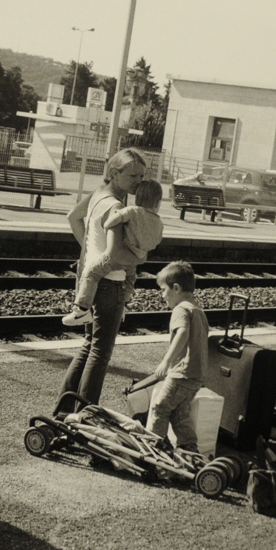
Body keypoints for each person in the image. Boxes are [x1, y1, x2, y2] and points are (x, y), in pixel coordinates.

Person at [55, 147, 147, 415]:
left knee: (89, 346)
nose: (139, 182)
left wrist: (91, 251)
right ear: (115, 173)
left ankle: (64, 411)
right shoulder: (117, 207)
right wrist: (137, 256)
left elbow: (73, 218)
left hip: (92, 280)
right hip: (111, 284)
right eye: (133, 176)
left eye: (142, 176)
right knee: (100, 353)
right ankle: (86, 415)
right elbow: (117, 253)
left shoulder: (98, 194)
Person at [62, 179, 164, 326]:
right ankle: (122, 306)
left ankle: (82, 309)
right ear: (158, 202)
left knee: (91, 273)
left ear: (138, 198)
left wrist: (107, 226)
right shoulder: (158, 221)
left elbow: (113, 220)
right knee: (130, 280)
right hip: (136, 257)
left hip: (118, 256)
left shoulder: (132, 211)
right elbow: (157, 240)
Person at [148, 261, 209, 453]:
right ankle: (189, 450)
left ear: (176, 288)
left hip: (181, 373)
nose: (162, 295)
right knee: (180, 415)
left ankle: (152, 448)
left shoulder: (181, 309)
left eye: (164, 289)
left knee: (160, 407)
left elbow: (182, 333)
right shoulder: (198, 310)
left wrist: (166, 361)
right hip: (195, 376)